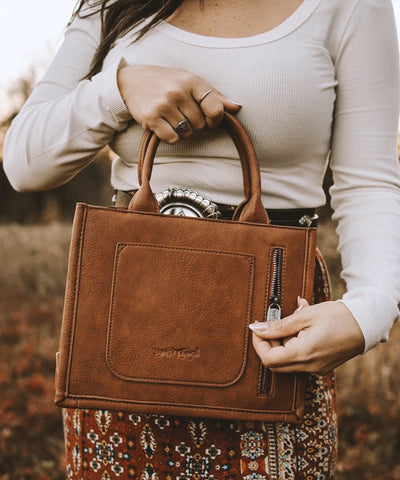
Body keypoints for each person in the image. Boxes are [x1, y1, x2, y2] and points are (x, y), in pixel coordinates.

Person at [3, 0, 400, 478]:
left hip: (269, 323)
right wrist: (116, 89)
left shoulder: (353, 7)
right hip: (127, 318)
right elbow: (26, 163)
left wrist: (370, 310)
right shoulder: (108, 6)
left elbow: (370, 182)